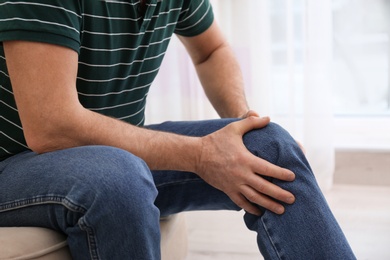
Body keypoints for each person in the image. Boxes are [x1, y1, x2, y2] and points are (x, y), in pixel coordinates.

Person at [0, 0, 356, 259]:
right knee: (117, 178)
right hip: (16, 165)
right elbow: (52, 126)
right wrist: (201, 155)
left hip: (120, 160)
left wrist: (242, 124)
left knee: (267, 146)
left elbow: (211, 49)